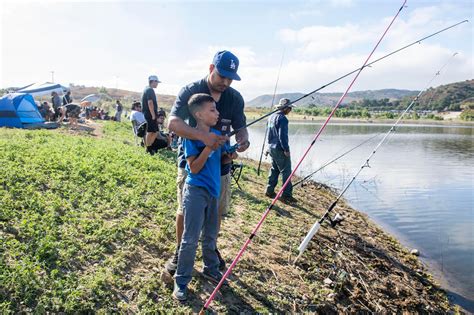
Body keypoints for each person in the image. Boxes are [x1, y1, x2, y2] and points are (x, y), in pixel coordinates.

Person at [166, 50, 250, 275]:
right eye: (222, 75)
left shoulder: (235, 98)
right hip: (191, 167)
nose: (226, 82)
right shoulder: (192, 91)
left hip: (220, 167)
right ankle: (180, 251)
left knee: (217, 212)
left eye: (230, 77)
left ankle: (210, 251)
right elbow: (172, 123)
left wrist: (243, 140)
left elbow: (240, 126)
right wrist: (203, 137)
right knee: (185, 210)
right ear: (211, 68)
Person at [173, 93, 237, 301]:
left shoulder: (218, 132)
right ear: (199, 114)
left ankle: (211, 269)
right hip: (196, 191)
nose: (217, 113)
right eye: (212, 110)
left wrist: (233, 152)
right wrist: (209, 147)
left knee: (210, 236)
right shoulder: (191, 137)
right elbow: (194, 167)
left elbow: (224, 156)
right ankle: (181, 281)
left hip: (213, 192)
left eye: (217, 109)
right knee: (190, 239)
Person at [265, 98, 297, 203]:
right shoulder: (283, 119)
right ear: (286, 108)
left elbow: (269, 133)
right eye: (290, 108)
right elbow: (282, 136)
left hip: (271, 147)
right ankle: (286, 195)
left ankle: (269, 190)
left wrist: (268, 147)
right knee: (286, 171)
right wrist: (286, 149)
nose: (290, 110)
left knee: (275, 169)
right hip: (279, 148)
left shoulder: (271, 117)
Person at [141, 75, 161, 154]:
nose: (157, 84)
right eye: (156, 82)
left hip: (149, 114)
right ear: (153, 81)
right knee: (150, 131)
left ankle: (149, 146)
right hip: (150, 114)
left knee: (155, 131)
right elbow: (150, 102)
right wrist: (153, 115)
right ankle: (148, 148)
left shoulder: (147, 89)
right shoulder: (149, 90)